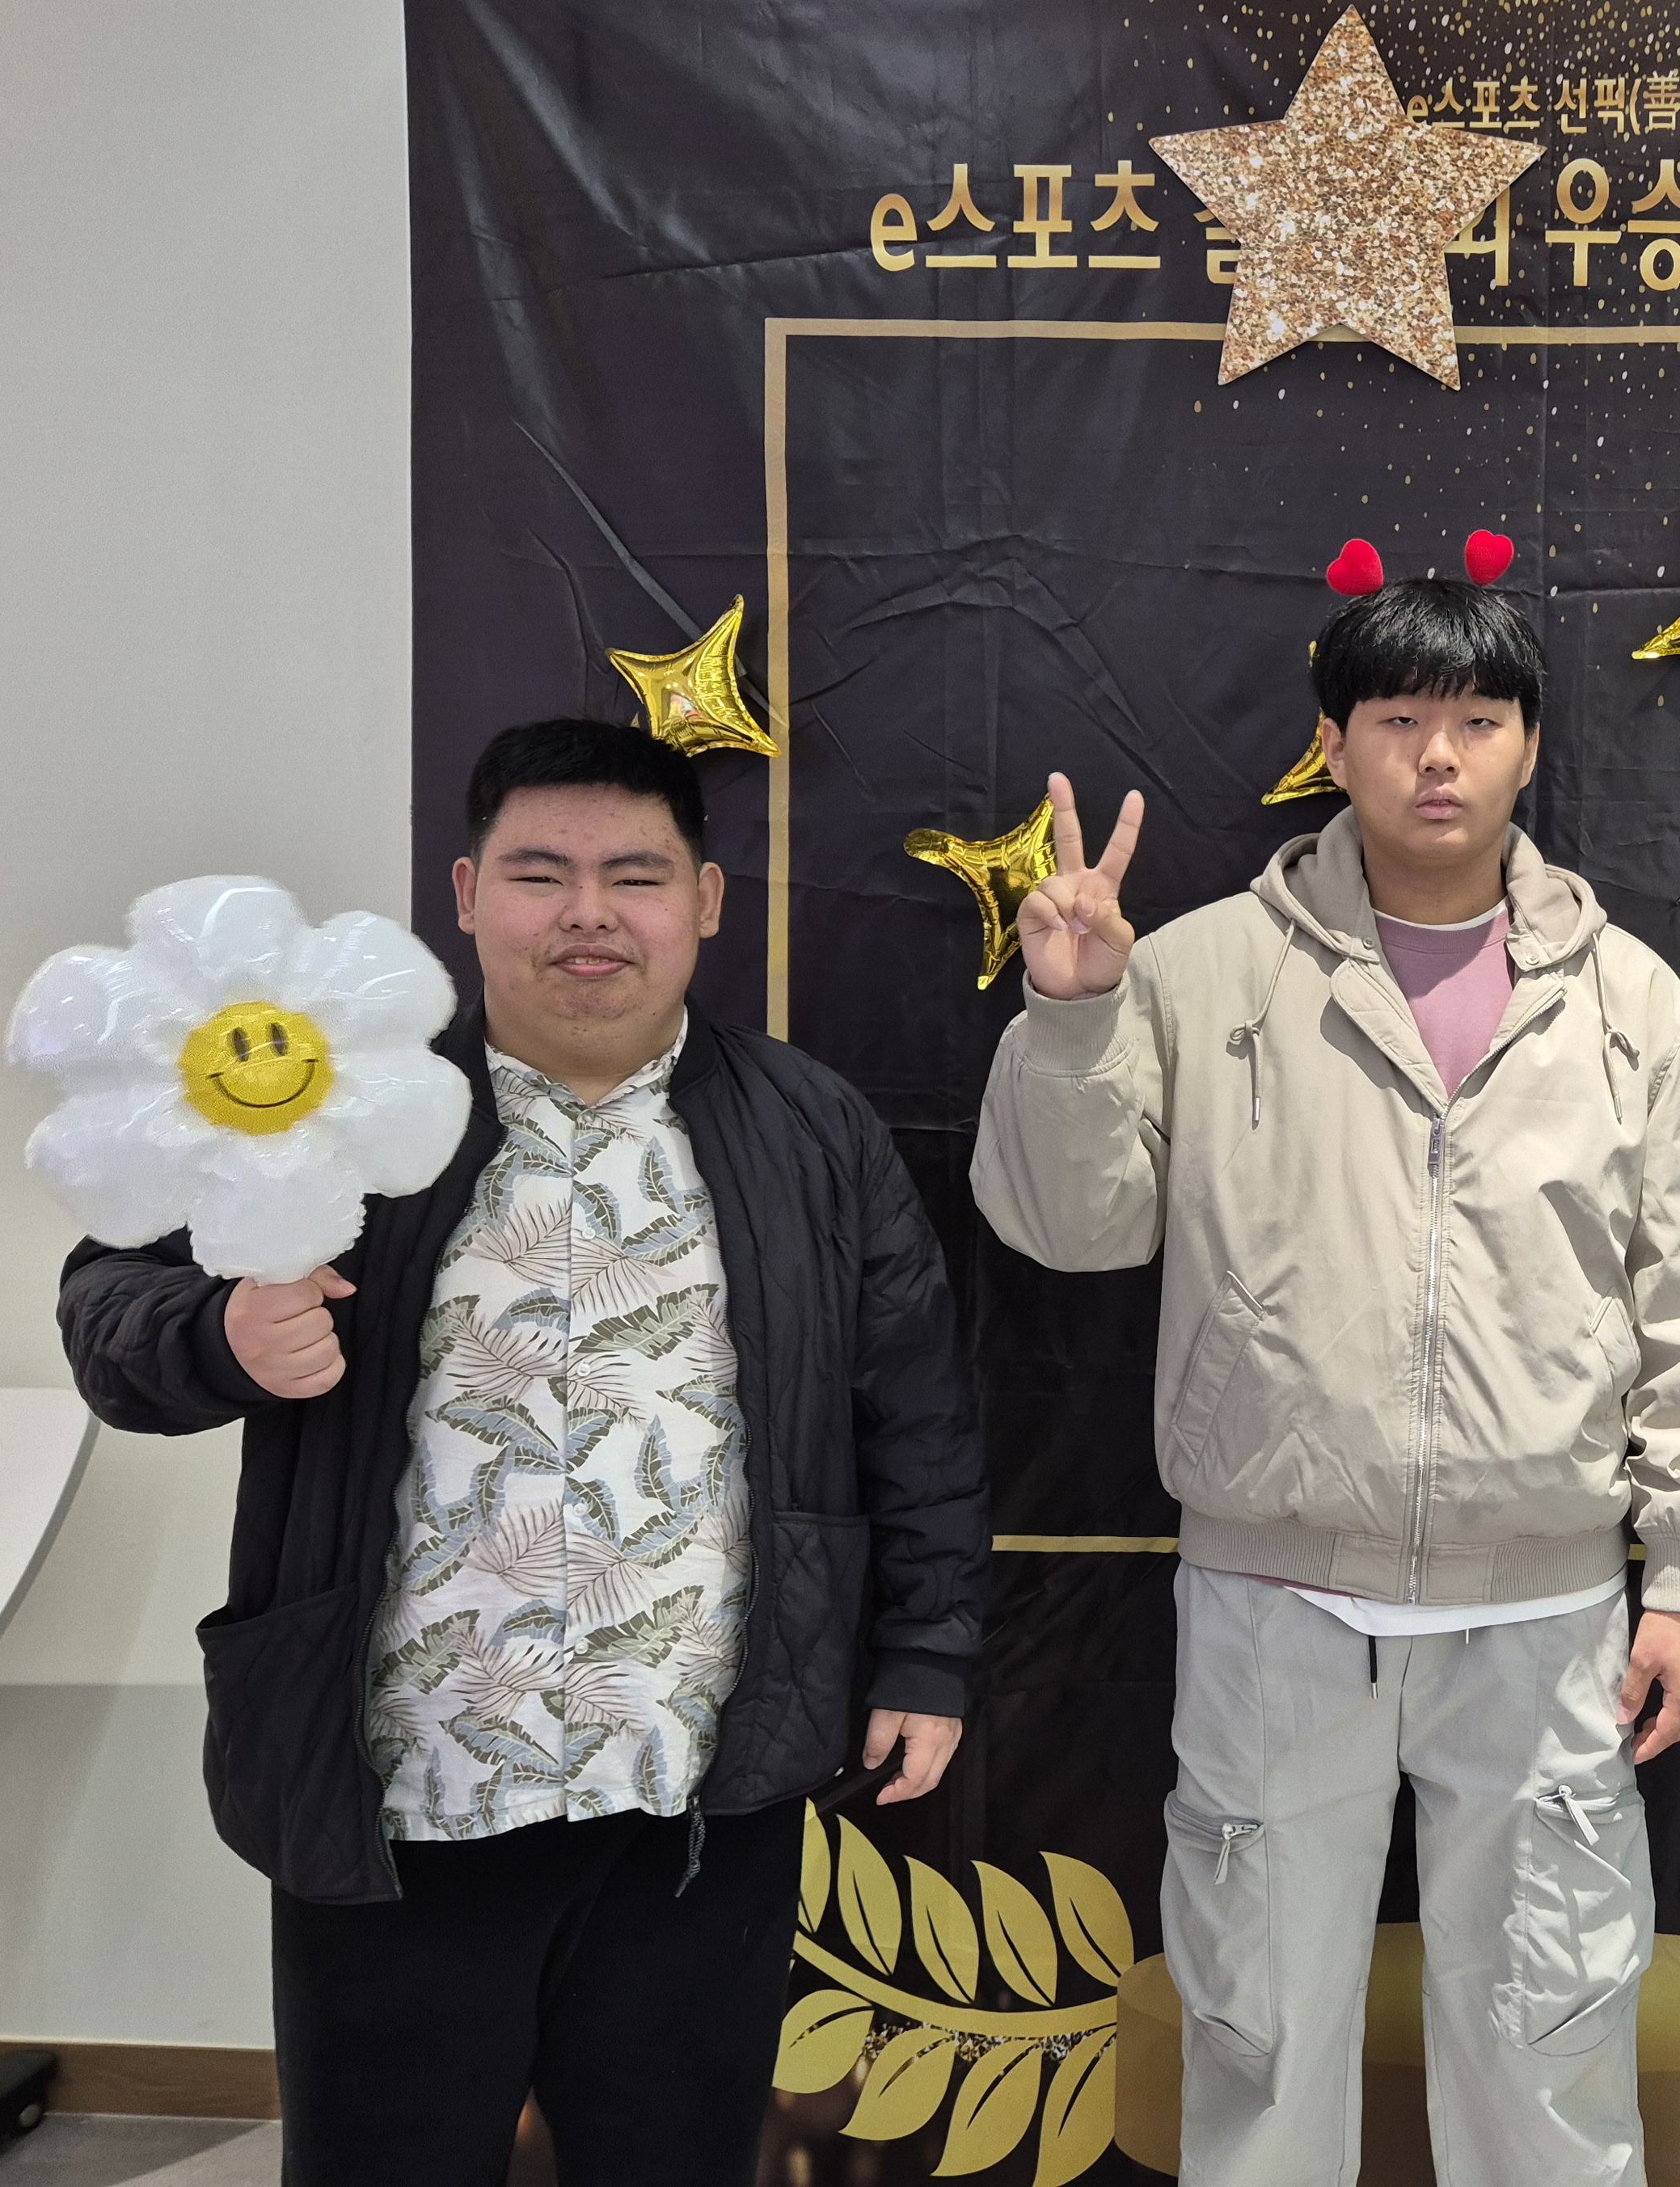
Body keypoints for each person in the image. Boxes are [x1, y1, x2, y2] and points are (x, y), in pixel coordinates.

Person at [57, 719, 986, 2187]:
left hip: (699, 1789)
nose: (588, 914)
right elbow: (108, 1300)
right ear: (469, 893)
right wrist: (220, 1335)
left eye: (636, 876)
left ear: (706, 901)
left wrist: (928, 1651)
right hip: (405, 1788)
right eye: (542, 874)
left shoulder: (814, 1132)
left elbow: (916, 1408)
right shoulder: (345, 1116)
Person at [970, 570, 1680, 2187]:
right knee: (1257, 2040)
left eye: (1477, 720)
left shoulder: (1629, 1002)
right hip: (1274, 1604)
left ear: (1529, 745)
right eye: (1398, 720)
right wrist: (1073, 1010)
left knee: (1549, 2048)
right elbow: (1069, 1225)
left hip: (1544, 1615)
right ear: (1332, 745)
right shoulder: (1201, 971)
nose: (1438, 757)